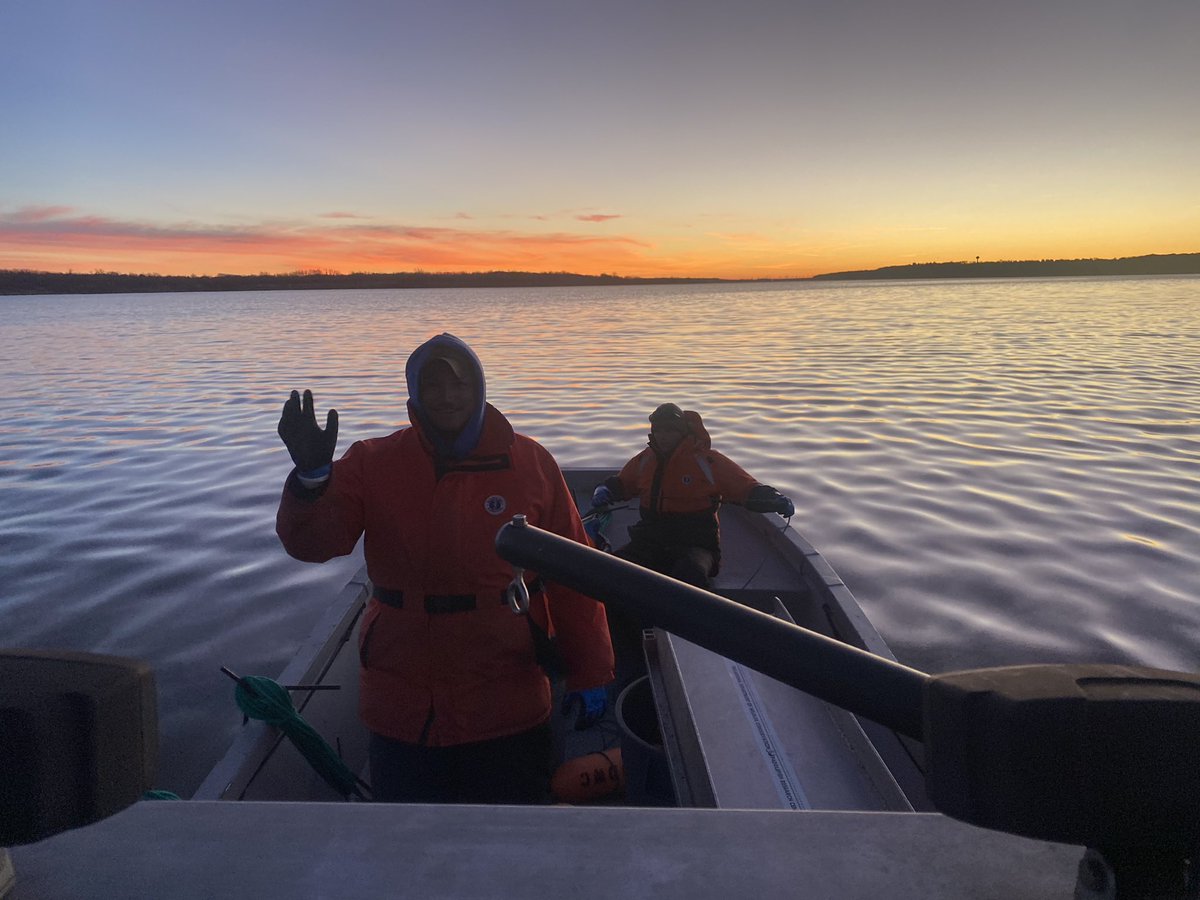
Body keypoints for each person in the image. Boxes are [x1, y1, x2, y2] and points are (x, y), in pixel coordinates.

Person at [275, 332, 614, 805]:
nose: (447, 396)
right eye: (433, 385)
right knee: (407, 839)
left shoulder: (531, 463)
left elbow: (576, 573)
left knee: (513, 828)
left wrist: (591, 671)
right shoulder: (373, 461)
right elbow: (312, 545)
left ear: (479, 388)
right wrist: (312, 481)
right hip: (402, 695)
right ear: (414, 392)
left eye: (460, 384)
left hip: (505, 689)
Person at [591, 403, 795, 687]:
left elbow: (745, 487)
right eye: (658, 430)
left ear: (682, 432)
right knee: (609, 574)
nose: (662, 436)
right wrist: (606, 490)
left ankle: (690, 650)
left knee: (690, 577)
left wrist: (771, 499)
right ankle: (628, 650)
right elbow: (622, 483)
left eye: (669, 430)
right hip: (650, 540)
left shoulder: (707, 461)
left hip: (696, 545)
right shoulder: (644, 460)